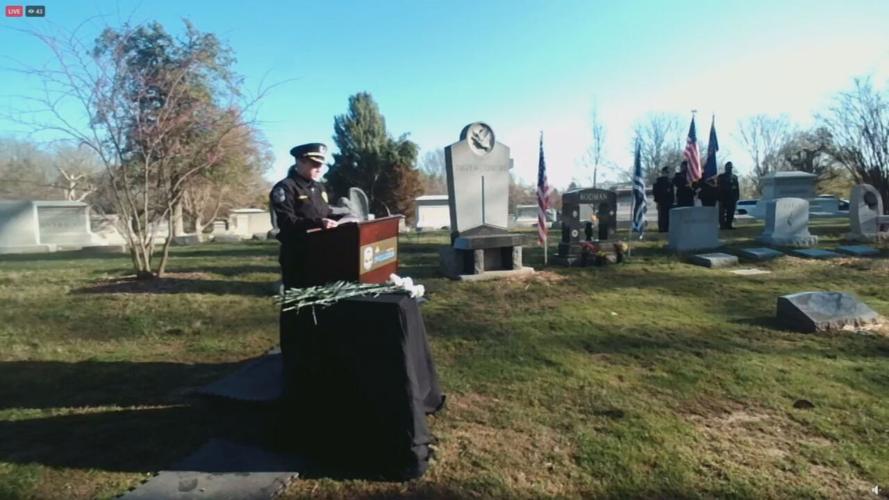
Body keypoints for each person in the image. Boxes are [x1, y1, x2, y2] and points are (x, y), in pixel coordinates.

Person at [270, 142, 343, 288]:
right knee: (299, 304)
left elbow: (324, 212)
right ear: (300, 161)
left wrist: (345, 218)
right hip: (298, 255)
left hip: (322, 252)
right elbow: (287, 221)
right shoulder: (285, 188)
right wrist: (318, 223)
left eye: (321, 164)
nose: (319, 169)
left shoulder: (318, 187)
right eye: (315, 164)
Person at [717, 161, 741, 229]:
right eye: (728, 167)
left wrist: (737, 197)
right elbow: (719, 187)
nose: (729, 168)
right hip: (723, 197)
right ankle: (722, 225)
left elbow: (737, 188)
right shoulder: (721, 176)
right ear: (725, 168)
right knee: (721, 213)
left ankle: (729, 225)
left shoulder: (734, 177)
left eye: (730, 167)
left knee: (731, 213)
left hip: (731, 197)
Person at [652, 166, 674, 232]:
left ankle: (663, 228)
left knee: (664, 216)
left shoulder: (669, 182)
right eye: (666, 172)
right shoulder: (660, 182)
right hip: (663, 202)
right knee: (663, 216)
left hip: (664, 202)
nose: (667, 174)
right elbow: (655, 192)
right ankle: (663, 228)